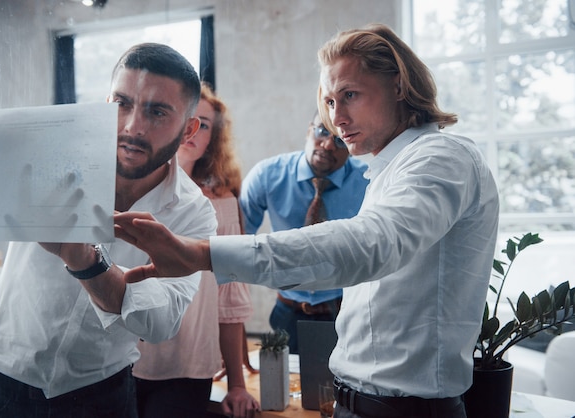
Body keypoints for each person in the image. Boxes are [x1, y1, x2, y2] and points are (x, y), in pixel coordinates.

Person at [113, 23, 500, 418]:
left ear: (399, 86)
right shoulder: (387, 170)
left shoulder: (440, 157)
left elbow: (369, 245)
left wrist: (204, 254)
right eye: (330, 102)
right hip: (361, 401)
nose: (337, 118)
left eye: (350, 95)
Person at [0, 43, 218, 418]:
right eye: (122, 102)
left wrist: (85, 261)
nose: (132, 126)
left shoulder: (193, 212)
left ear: (189, 129)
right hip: (0, 384)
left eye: (157, 111)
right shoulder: (47, 154)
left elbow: (160, 322)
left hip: (100, 398)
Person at [132, 81, 260, 418]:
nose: (193, 130)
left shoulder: (223, 204)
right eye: (189, 119)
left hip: (187, 363)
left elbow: (229, 301)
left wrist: (236, 384)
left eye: (204, 124)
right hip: (122, 359)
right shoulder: (129, 191)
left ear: (212, 139)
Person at [239, 110, 369, 353]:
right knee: (288, 384)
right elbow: (236, 237)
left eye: (340, 139)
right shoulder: (268, 175)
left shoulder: (367, 183)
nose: (328, 144)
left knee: (339, 388)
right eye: (322, 131)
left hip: (346, 310)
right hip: (288, 309)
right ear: (309, 130)